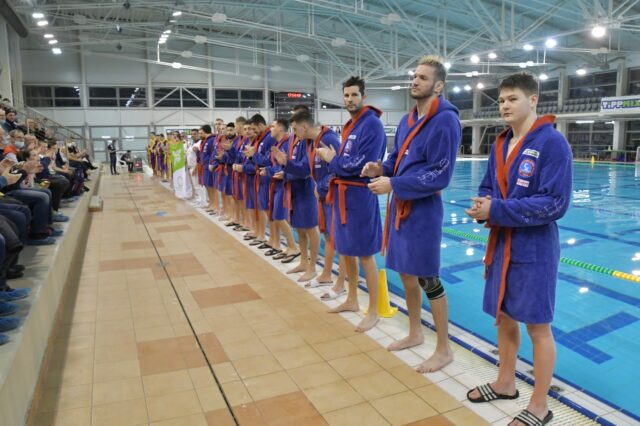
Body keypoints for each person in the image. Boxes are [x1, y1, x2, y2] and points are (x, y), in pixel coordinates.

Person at [464, 72, 572, 426]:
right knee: (504, 317)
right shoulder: (501, 143)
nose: (505, 105)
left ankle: (540, 405)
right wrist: (483, 204)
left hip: (534, 248)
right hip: (502, 243)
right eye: (502, 100)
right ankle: (505, 382)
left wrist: (496, 209)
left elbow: (555, 203)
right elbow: (488, 186)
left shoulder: (552, 143)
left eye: (513, 99)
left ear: (533, 100)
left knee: (538, 327)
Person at [362, 55, 460, 372]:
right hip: (401, 207)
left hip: (423, 210)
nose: (415, 81)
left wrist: (394, 183)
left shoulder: (445, 120)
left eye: (423, 78)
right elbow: (396, 158)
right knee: (405, 272)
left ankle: (444, 348)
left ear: (439, 86)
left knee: (428, 278)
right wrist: (380, 169)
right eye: (414, 76)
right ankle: (415, 332)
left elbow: (440, 174)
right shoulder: (407, 120)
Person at [315, 76, 386, 332]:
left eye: (354, 95)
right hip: (343, 195)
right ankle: (352, 299)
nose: (350, 99)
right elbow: (346, 162)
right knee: (346, 250)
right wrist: (336, 162)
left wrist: (332, 160)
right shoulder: (351, 125)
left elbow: (359, 165)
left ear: (363, 97)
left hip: (359, 196)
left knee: (365, 254)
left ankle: (374, 311)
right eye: (346, 95)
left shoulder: (372, 125)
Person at [263, 119, 299, 259]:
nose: (270, 129)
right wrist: (268, 169)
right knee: (277, 216)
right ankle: (290, 246)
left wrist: (270, 171)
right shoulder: (278, 143)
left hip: (284, 183)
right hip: (276, 183)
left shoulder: (288, 143)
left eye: (272, 126)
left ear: (280, 128)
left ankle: (293, 247)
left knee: (278, 216)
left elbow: (287, 165)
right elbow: (275, 164)